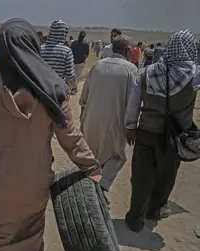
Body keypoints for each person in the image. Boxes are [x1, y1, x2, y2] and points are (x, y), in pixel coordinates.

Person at [0, 18, 101, 251]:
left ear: (1, 49)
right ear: (34, 47)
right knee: (30, 239)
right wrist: (92, 168)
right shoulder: (53, 89)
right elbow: (71, 138)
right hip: (33, 184)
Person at [124, 29, 200, 232]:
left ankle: (135, 217)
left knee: (141, 175)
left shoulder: (148, 72)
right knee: (166, 174)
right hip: (176, 137)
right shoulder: (194, 75)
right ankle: (155, 210)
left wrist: (131, 127)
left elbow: (134, 104)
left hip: (146, 132)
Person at [79, 34, 138, 204]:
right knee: (117, 156)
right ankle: (101, 187)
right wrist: (132, 127)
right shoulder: (131, 70)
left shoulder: (97, 65)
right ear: (128, 51)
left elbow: (84, 97)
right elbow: (132, 103)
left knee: (92, 155)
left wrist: (83, 118)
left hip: (91, 121)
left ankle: (89, 188)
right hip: (115, 124)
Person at [40, 20, 77, 95]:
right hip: (58, 91)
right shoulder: (66, 51)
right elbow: (69, 74)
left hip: (41, 89)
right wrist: (73, 87)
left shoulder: (40, 48)